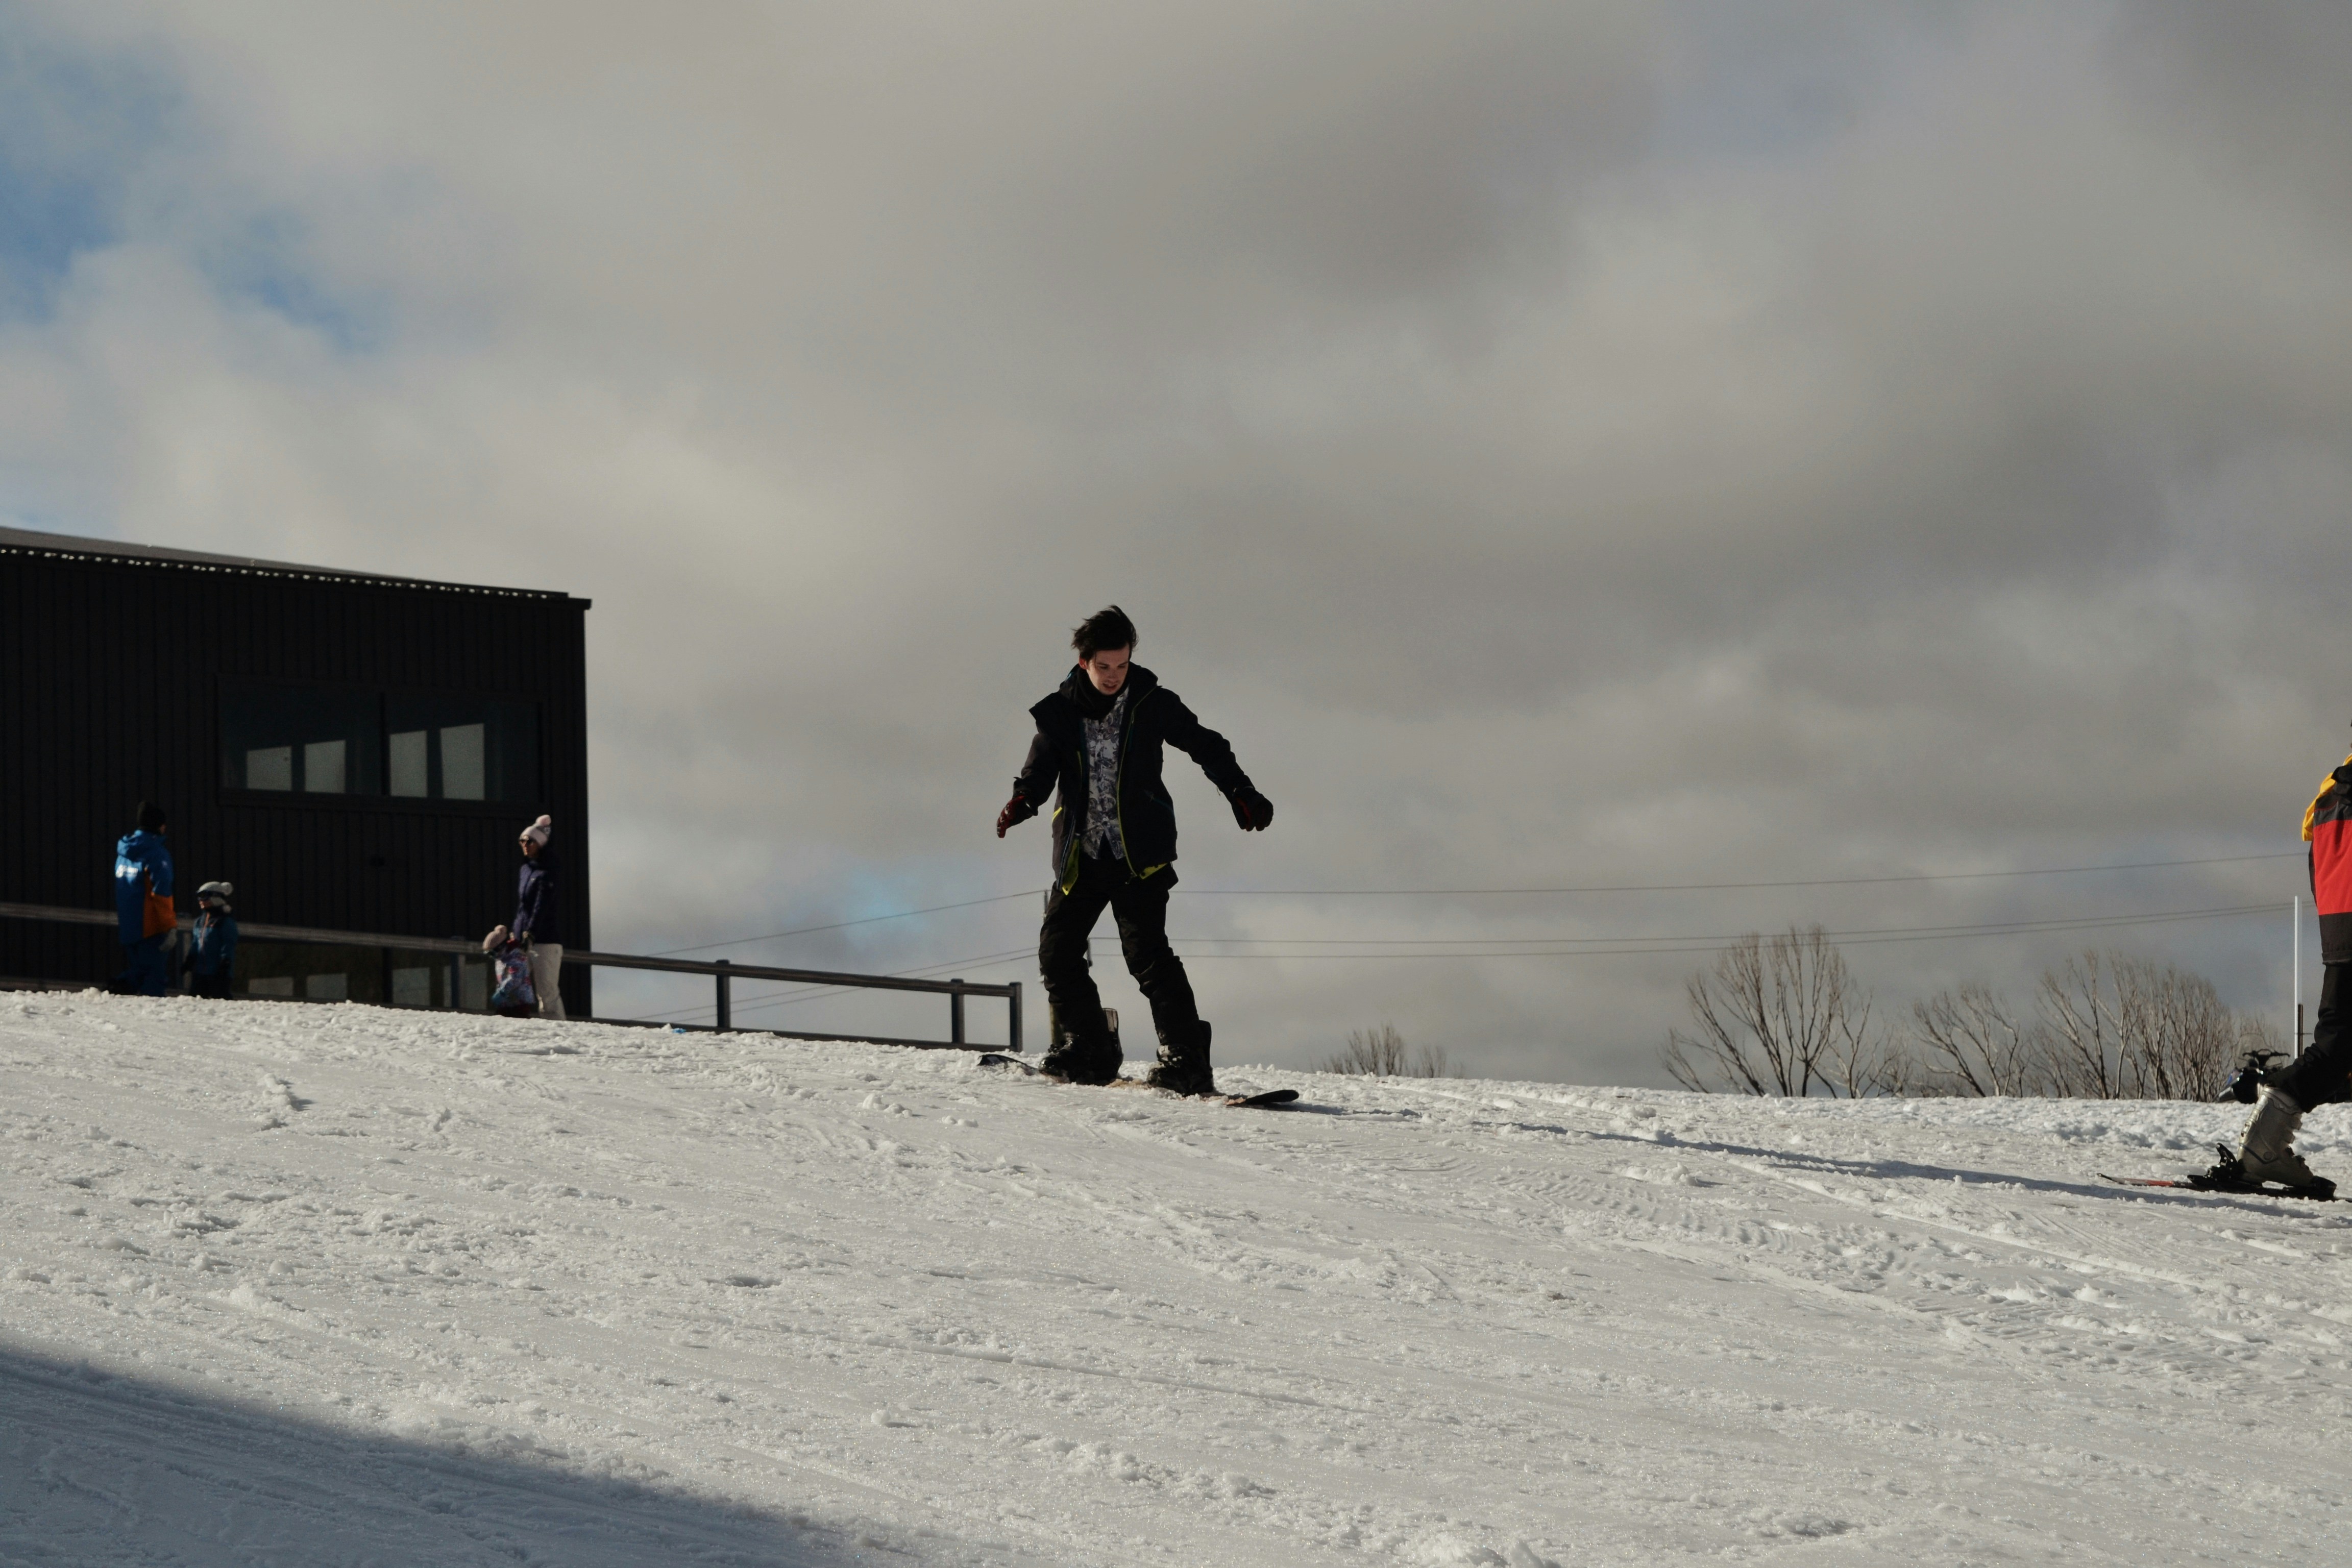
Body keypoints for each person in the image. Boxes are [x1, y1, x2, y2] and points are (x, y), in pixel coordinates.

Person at [995, 606, 1272, 1094]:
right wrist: (1023, 801)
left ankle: (1185, 1059)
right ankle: (1089, 1049)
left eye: (1121, 666)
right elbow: (1040, 769)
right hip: (1082, 855)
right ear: (1084, 662)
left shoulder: (1151, 701)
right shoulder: (1060, 712)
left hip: (1138, 854)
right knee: (1057, 952)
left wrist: (1241, 792)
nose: (1113, 676)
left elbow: (1207, 745)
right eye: (1104, 666)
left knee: (1148, 956)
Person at [2216, 745, 2352, 1195]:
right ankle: (2266, 1141)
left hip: (2340, 932)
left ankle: (2267, 1141)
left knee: (2338, 1042)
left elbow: (2319, 869)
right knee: (2338, 1044)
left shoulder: (2330, 795)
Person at [110, 801, 176, 996]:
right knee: (153, 981)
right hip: (151, 930)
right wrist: (169, 926)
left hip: (129, 928)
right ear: (158, 825)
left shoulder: (124, 853)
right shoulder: (156, 854)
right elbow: (162, 893)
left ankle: (114, 995)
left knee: (136, 975)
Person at [511, 814, 567, 1020]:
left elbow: (541, 906)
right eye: (522, 841)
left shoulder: (549, 870)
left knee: (547, 992)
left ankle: (558, 1033)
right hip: (524, 940)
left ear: (541, 843)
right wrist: (516, 934)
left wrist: (531, 932)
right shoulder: (526, 869)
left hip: (545, 941)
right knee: (516, 986)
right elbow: (523, 908)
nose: (525, 845)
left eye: (530, 841)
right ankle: (519, 1029)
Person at [184, 882, 238, 999]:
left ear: (216, 897)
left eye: (204, 896)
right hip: (200, 973)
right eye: (199, 896)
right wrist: (191, 958)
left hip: (218, 973)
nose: (201, 900)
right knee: (194, 1003)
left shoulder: (225, 922)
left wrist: (225, 962)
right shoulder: (200, 922)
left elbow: (228, 944)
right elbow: (196, 943)